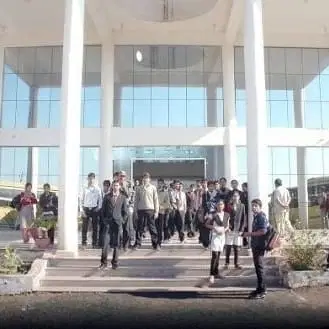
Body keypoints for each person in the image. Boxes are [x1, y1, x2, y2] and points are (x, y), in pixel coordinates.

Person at [243, 198, 269, 299]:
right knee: (258, 268)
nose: (253, 208)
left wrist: (249, 234)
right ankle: (259, 288)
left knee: (260, 268)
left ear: (260, 207)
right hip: (256, 245)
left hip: (260, 245)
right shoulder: (256, 216)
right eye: (252, 206)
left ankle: (262, 291)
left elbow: (263, 231)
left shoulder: (261, 216)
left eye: (255, 206)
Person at [99, 181, 127, 270]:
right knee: (105, 243)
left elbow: (125, 212)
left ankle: (115, 263)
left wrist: (122, 220)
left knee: (116, 244)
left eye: (117, 185)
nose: (115, 187)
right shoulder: (107, 197)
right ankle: (103, 263)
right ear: (112, 186)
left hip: (117, 223)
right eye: (114, 185)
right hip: (108, 223)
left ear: (119, 187)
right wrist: (104, 220)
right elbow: (102, 210)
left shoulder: (123, 197)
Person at [205, 200, 230, 284]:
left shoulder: (227, 215)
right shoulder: (213, 214)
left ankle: (216, 273)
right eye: (218, 204)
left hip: (222, 236)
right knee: (214, 254)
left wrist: (225, 230)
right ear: (216, 206)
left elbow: (227, 225)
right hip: (215, 235)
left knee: (218, 254)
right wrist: (214, 228)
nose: (220, 206)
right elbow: (206, 224)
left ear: (224, 205)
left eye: (222, 204)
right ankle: (211, 274)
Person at [133, 172, 159, 250]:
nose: (145, 179)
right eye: (144, 178)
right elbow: (136, 201)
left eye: (147, 178)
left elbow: (156, 200)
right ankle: (137, 243)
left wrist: (156, 211)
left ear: (149, 179)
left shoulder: (153, 188)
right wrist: (135, 211)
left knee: (152, 227)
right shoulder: (139, 188)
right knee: (139, 227)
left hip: (150, 210)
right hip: (140, 210)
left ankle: (155, 244)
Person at [225, 190, 246, 269]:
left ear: (239, 197)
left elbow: (244, 218)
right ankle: (227, 263)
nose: (235, 197)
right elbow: (225, 217)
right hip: (230, 228)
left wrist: (241, 229)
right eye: (234, 196)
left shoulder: (242, 206)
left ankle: (236, 263)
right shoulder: (228, 205)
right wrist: (226, 227)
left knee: (236, 247)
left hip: (238, 229)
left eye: (236, 196)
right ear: (232, 197)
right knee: (228, 247)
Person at [80, 172, 102, 249]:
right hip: (86, 208)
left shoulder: (98, 188)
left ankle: (94, 243)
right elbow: (81, 200)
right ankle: (84, 243)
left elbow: (100, 200)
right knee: (84, 227)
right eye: (89, 178)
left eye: (92, 178)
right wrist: (81, 210)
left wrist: (98, 208)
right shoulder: (84, 188)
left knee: (95, 227)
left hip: (94, 209)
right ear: (87, 179)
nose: (90, 180)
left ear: (94, 179)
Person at [157, 179, 171, 246]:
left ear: (163, 184)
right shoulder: (154, 191)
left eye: (160, 183)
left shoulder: (165, 192)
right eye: (158, 183)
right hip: (153, 212)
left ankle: (159, 242)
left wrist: (161, 206)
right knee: (154, 227)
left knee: (160, 227)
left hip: (161, 212)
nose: (159, 184)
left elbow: (167, 203)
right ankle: (154, 240)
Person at [98, 180, 111, 248]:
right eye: (104, 186)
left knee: (106, 229)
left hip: (107, 214)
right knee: (101, 228)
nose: (105, 187)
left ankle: (105, 243)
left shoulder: (110, 195)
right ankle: (100, 243)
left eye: (107, 186)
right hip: (100, 212)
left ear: (109, 187)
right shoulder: (100, 193)